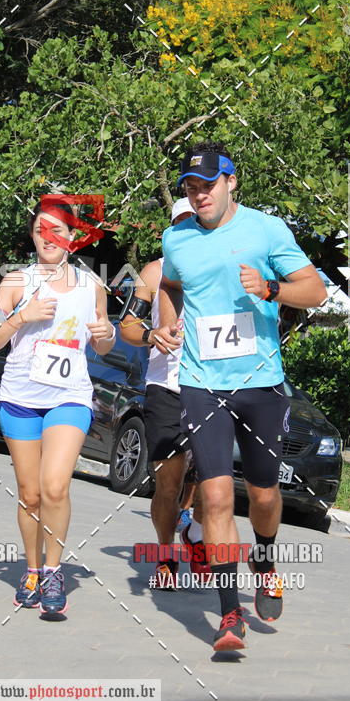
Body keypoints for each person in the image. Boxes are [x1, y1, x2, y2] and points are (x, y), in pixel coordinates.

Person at [155, 141, 327, 651]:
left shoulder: (266, 230)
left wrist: (272, 290)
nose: (200, 194)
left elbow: (315, 292)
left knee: (266, 494)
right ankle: (230, 615)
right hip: (202, 380)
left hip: (261, 381)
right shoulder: (177, 237)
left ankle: (266, 555)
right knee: (214, 494)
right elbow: (169, 285)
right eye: (191, 187)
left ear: (232, 182)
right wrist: (167, 321)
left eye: (208, 184)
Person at [0, 201, 115, 616]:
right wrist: (22, 317)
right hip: (21, 397)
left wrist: (106, 333)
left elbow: (103, 345)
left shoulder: (93, 286)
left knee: (55, 486)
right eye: (42, 229)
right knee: (31, 494)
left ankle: (54, 571)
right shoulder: (16, 282)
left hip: (69, 396)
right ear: (34, 236)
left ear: (72, 237)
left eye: (59, 230)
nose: (49, 237)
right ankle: (32, 568)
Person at [120, 198, 208, 589]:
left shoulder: (223, 266)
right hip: (167, 385)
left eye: (197, 219)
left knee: (213, 478)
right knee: (169, 483)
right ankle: (166, 554)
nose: (191, 227)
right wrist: (150, 335)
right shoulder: (154, 272)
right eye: (183, 221)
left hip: (213, 385)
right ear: (171, 229)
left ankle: (198, 534)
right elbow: (127, 327)